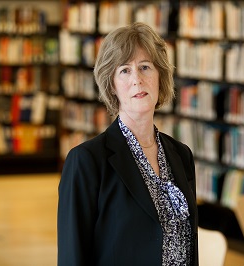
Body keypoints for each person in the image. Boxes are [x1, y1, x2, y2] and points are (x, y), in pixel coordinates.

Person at [57, 22, 198, 266]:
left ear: (160, 76)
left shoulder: (181, 155)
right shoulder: (87, 161)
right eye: (124, 70)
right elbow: (72, 257)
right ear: (111, 85)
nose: (137, 80)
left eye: (145, 67)